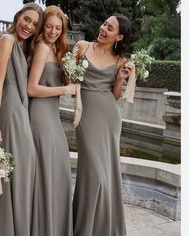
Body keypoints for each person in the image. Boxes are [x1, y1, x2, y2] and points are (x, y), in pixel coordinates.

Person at [0, 3, 43, 236]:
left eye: (34, 24)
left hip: (20, 111)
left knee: (18, 168)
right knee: (11, 169)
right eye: (27, 19)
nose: (29, 26)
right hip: (10, 112)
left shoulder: (22, 45)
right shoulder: (7, 40)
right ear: (18, 17)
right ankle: (1, 228)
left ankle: (14, 226)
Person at [72, 13, 134, 236]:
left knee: (107, 174)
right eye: (104, 24)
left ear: (118, 37)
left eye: (110, 28)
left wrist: (120, 79)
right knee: (93, 174)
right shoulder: (81, 46)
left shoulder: (120, 62)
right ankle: (83, 228)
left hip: (109, 117)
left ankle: (104, 228)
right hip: (86, 115)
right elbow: (69, 80)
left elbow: (115, 96)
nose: (103, 28)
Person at [27, 5, 76, 236]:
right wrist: (65, 90)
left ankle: (54, 226)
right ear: (42, 25)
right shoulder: (41, 48)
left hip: (53, 117)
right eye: (49, 26)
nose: (53, 31)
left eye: (58, 28)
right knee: (47, 172)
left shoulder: (59, 49)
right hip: (39, 116)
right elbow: (32, 88)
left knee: (59, 172)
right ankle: (42, 227)